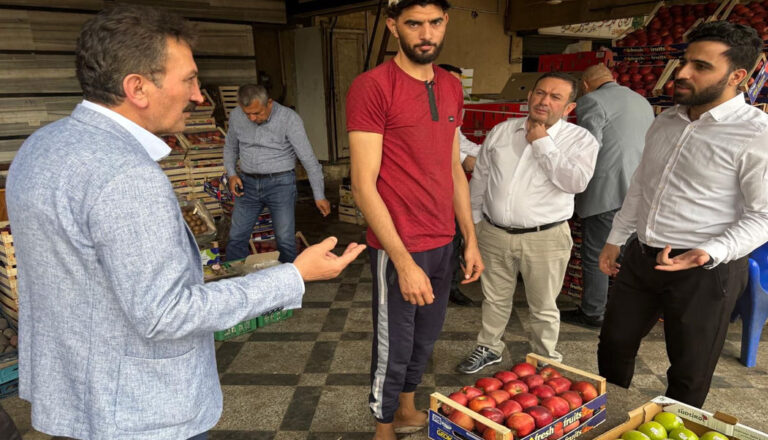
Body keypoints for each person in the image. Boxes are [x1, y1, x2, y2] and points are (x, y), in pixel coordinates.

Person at [5, 6, 364, 439]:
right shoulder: (127, 174)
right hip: (142, 411)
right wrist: (294, 276)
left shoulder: (41, 146)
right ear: (137, 87)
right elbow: (167, 314)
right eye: (190, 79)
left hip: (76, 394)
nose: (199, 96)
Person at [597, 21, 768, 408]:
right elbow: (642, 185)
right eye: (684, 61)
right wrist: (617, 237)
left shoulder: (759, 132)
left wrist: (710, 251)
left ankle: (676, 425)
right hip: (642, 256)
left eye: (701, 66)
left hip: (706, 269)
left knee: (690, 367)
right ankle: (610, 419)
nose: (682, 72)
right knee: (614, 344)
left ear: (738, 76)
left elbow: (767, 215)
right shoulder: (664, 121)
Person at [346, 0, 484, 438]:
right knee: (394, 344)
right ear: (392, 27)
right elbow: (363, 184)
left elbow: (452, 168)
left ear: (446, 24)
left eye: (434, 23)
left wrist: (470, 238)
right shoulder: (372, 87)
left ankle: (406, 410)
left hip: (443, 242)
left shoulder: (450, 86)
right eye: (414, 24)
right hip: (398, 246)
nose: (426, 33)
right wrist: (402, 261)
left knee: (426, 339)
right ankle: (383, 427)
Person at [458, 72, 599, 373]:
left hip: (545, 237)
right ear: (530, 96)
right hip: (493, 232)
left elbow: (575, 182)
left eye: (555, 97)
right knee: (493, 297)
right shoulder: (502, 132)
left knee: (544, 306)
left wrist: (543, 143)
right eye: (540, 93)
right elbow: (480, 178)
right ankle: (489, 346)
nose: (544, 101)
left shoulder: (580, 139)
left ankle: (544, 357)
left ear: (569, 108)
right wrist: (474, 224)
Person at [560, 63, 654, 328]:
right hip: (638, 190)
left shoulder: (592, 100)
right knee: (631, 254)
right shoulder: (641, 101)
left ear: (586, 85)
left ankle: (592, 312)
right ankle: (638, 309)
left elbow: (589, 147)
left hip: (607, 190)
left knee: (596, 254)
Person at [223, 84, 331, 263]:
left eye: (257, 113)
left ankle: (290, 285)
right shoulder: (236, 116)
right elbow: (230, 148)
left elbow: (308, 158)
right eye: (247, 113)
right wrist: (232, 174)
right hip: (247, 184)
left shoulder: (289, 119)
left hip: (280, 184)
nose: (251, 118)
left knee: (285, 239)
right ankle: (237, 284)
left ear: (269, 103)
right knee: (236, 237)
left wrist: (319, 195)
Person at [438, 63, 481, 307]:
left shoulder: (452, 110)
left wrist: (489, 152)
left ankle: (450, 286)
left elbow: (460, 141)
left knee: (454, 240)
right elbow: (435, 147)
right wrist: (465, 160)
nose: (455, 88)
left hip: (453, 191)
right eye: (450, 82)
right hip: (432, 194)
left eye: (458, 84)